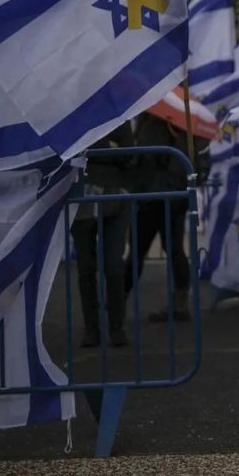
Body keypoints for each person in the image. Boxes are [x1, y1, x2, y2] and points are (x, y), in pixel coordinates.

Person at [125, 112, 207, 323]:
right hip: (173, 199)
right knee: (173, 251)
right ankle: (180, 303)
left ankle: (115, 304)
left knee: (138, 253)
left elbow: (141, 156)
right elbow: (201, 166)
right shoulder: (188, 124)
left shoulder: (153, 122)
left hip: (153, 198)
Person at [72, 121, 134, 348]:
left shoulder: (122, 114)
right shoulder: (77, 114)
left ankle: (116, 327)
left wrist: (92, 150)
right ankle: (92, 329)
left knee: (113, 266)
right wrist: (108, 147)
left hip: (115, 198)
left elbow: (128, 153)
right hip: (82, 199)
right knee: (86, 267)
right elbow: (72, 149)